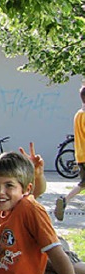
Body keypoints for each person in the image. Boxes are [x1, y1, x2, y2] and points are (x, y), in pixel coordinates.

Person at [55, 86, 85, 221]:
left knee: (83, 183)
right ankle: (65, 200)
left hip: (80, 154)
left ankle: (65, 200)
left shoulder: (79, 114)